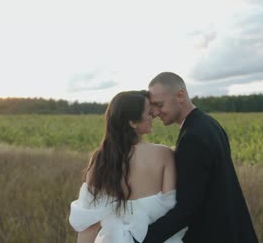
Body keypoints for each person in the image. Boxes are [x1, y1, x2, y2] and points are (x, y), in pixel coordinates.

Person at [140, 72, 258, 242]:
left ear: (180, 96)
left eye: (159, 104)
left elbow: (187, 208)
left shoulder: (193, 137)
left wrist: (143, 238)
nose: (156, 112)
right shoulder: (209, 123)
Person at [69, 90, 187, 242]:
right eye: (148, 113)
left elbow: (88, 222)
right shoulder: (164, 155)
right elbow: (172, 207)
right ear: (132, 122)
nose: (153, 116)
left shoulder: (100, 160)